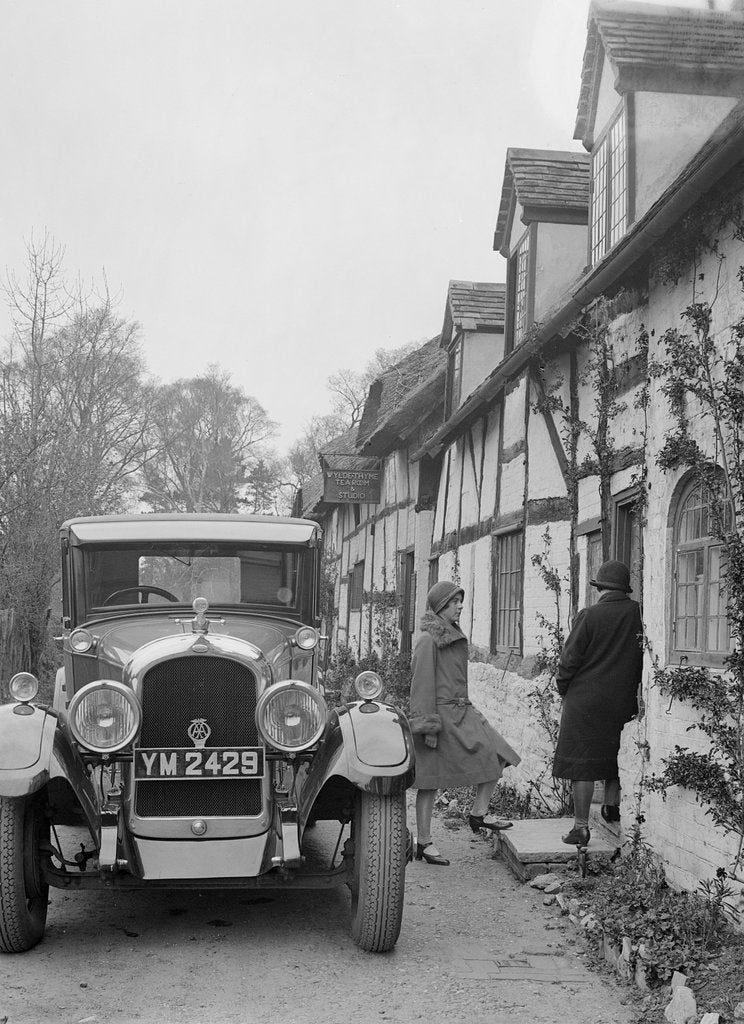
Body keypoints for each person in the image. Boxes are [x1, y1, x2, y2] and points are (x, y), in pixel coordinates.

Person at [409, 580, 521, 865]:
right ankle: (423, 842)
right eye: (454, 602)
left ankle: (478, 813)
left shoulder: (453, 633)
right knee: (430, 781)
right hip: (440, 717)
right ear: (441, 607)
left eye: (460, 601)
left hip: (464, 713)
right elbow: (421, 685)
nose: (460, 606)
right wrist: (428, 726)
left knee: (498, 754)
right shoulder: (427, 640)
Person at [552, 559, 644, 847]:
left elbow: (569, 660)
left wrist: (563, 688)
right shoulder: (637, 613)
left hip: (585, 700)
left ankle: (581, 827)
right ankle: (612, 806)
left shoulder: (589, 616)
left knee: (583, 763)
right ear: (624, 589)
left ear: (600, 588)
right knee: (613, 750)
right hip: (622, 698)